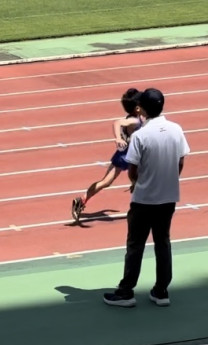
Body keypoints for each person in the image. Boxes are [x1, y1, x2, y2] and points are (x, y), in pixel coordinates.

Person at [103, 88, 190, 308]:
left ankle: (126, 292)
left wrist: (137, 182)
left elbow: (133, 170)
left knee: (135, 245)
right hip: (168, 197)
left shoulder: (141, 135)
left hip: (143, 199)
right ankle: (161, 291)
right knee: (163, 243)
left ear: (141, 109)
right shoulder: (176, 129)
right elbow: (180, 162)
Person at [71, 88, 142, 221]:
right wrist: (118, 138)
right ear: (137, 107)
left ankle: (83, 200)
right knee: (110, 182)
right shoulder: (134, 121)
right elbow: (117, 122)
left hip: (127, 154)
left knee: (108, 182)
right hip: (127, 155)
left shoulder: (136, 118)